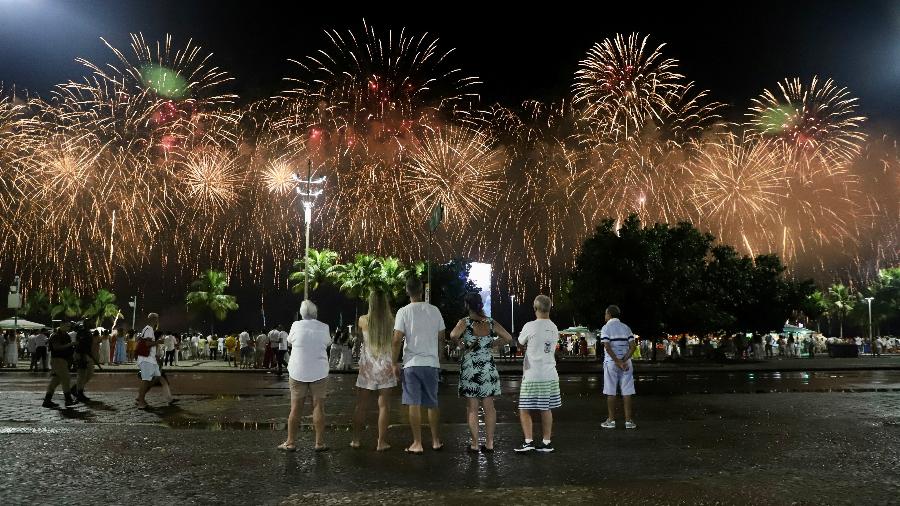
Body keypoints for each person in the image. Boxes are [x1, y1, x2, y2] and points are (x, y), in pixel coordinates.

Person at [450, 292, 512, 453]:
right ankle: (490, 443)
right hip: (487, 368)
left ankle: (475, 444)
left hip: (470, 367)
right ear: (481, 305)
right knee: (489, 407)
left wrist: (462, 344)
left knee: (472, 408)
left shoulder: (465, 322)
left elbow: (453, 335)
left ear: (467, 305)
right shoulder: (491, 322)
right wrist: (491, 344)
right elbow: (508, 337)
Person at [392, 277, 445, 454]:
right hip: (431, 363)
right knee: (432, 403)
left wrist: (393, 362)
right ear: (421, 291)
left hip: (411, 364)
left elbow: (397, 339)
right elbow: (441, 337)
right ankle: (436, 441)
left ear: (407, 291)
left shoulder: (403, 312)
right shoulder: (434, 310)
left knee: (413, 403)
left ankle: (417, 443)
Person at [279, 300, 331, 452]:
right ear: (315, 314)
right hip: (319, 371)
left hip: (298, 371)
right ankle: (319, 443)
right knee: (318, 406)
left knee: (295, 407)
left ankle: (290, 442)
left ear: (302, 314)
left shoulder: (295, 325)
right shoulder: (324, 327)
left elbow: (289, 341)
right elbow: (327, 343)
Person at [514, 294, 561, 453]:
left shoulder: (529, 326)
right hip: (550, 373)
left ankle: (529, 442)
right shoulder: (554, 327)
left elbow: (520, 343)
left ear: (535, 309)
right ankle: (546, 442)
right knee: (546, 408)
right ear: (549, 308)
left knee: (525, 408)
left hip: (533, 373)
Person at [351, 291, 397, 451]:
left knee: (361, 405)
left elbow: (360, 338)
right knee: (384, 406)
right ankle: (381, 442)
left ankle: (356, 440)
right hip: (385, 365)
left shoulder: (363, 320)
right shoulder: (391, 321)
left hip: (368, 367)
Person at [600, 305, 637, 430]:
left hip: (611, 363)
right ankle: (628, 421)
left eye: (605, 314)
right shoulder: (626, 327)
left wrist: (617, 361)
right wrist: (624, 360)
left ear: (609, 314)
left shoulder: (606, 328)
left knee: (611, 391)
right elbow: (633, 346)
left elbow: (607, 347)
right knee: (627, 391)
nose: (604, 316)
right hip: (626, 363)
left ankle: (611, 420)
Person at [135, 313, 175, 409]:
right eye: (157, 319)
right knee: (146, 380)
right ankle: (141, 401)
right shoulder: (149, 329)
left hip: (150, 358)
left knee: (155, 379)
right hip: (146, 358)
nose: (158, 321)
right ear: (153, 319)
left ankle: (140, 398)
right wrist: (159, 342)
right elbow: (147, 343)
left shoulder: (148, 329)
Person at [43, 323, 77, 408]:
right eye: (66, 325)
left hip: (63, 360)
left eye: (68, 326)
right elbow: (56, 347)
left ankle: (47, 400)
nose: (67, 327)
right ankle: (68, 400)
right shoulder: (56, 336)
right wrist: (71, 344)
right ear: (61, 326)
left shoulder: (65, 335)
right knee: (65, 379)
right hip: (58, 360)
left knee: (55, 381)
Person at [72, 324, 102, 402]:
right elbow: (80, 346)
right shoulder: (81, 333)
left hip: (87, 355)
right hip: (81, 355)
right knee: (82, 375)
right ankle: (79, 393)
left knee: (89, 374)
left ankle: (77, 389)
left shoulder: (87, 333)